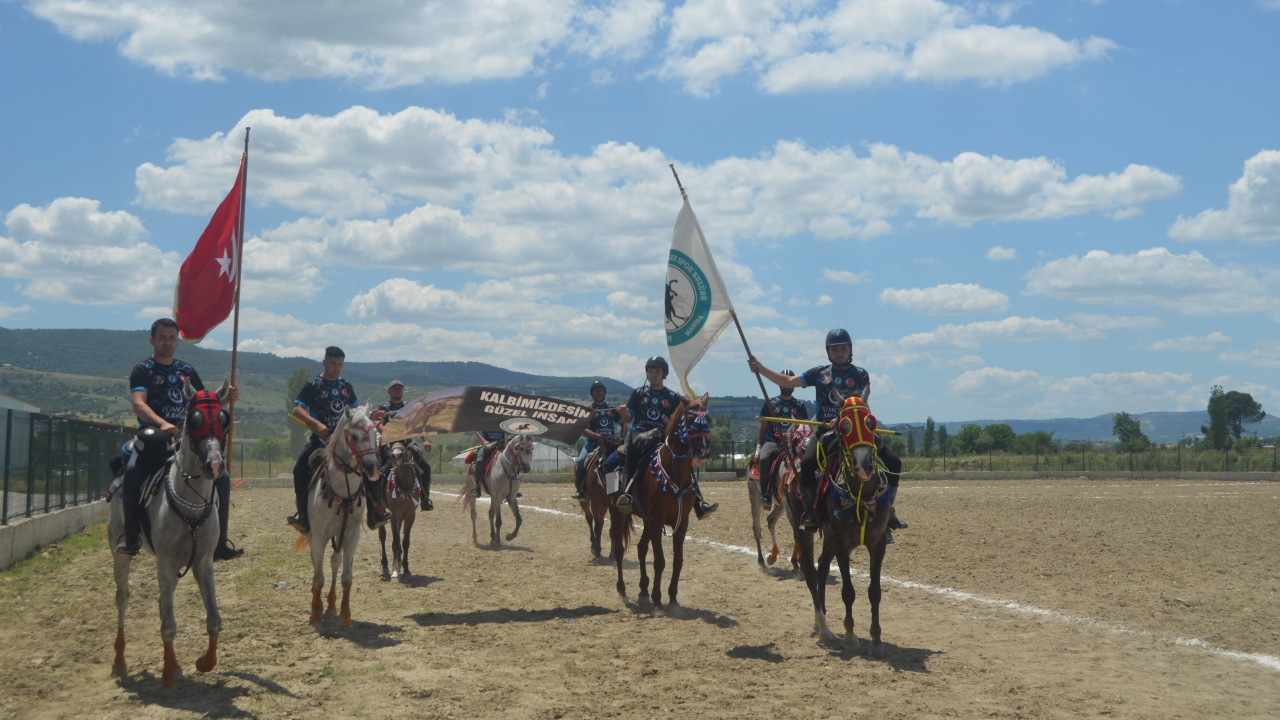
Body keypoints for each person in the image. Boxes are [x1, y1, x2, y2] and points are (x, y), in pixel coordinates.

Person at [747, 329, 906, 537]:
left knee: (894, 462)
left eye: (843, 348)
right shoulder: (819, 374)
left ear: (850, 350)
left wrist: (841, 419)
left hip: (855, 432)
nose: (839, 352)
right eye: (835, 349)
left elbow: (857, 404)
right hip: (826, 433)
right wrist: (760, 368)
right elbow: (787, 381)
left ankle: (888, 511)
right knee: (807, 462)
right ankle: (811, 512)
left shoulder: (860, 374)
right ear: (828, 352)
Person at [115, 318, 244, 561]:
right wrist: (163, 423)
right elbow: (138, 404)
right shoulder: (142, 370)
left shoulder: (187, 371)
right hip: (154, 437)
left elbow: (204, 406)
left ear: (177, 341)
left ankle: (221, 543)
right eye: (162, 337)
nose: (167, 342)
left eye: (172, 337)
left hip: (187, 442)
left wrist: (225, 401)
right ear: (153, 340)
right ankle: (131, 537)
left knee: (223, 478)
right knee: (132, 473)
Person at [287, 347, 387, 534]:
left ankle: (375, 513)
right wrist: (316, 424)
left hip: (347, 442)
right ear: (324, 362)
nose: (337, 368)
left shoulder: (345, 385)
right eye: (333, 363)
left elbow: (356, 408)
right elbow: (297, 409)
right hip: (322, 441)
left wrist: (369, 414)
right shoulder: (313, 385)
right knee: (299, 468)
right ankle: (302, 515)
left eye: (340, 364)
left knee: (372, 464)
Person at [617, 356, 717, 519]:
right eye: (650, 371)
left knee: (683, 461)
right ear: (646, 373)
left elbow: (675, 422)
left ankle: (698, 501)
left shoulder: (671, 396)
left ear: (664, 374)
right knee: (631, 458)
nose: (653, 374)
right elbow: (629, 419)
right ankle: (625, 495)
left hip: (663, 435)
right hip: (640, 434)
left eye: (657, 371)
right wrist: (624, 414)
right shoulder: (638, 393)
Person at [754, 370, 808, 510]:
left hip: (794, 441)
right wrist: (760, 445)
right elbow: (763, 426)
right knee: (764, 458)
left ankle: (808, 491)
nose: (786, 385)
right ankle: (766, 493)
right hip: (773, 440)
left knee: (808, 460)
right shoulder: (770, 403)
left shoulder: (800, 404)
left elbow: (804, 426)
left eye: (789, 380)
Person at [378, 379, 433, 511]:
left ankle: (425, 499)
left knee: (426, 466)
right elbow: (379, 424)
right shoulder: (384, 407)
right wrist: (389, 433)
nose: (398, 390)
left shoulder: (409, 406)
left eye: (400, 388)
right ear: (389, 391)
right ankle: (376, 501)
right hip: (389, 443)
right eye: (395, 388)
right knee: (376, 469)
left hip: (407, 444)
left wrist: (425, 440)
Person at [571, 380, 626, 500]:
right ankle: (581, 489)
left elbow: (623, 424)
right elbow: (584, 430)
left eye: (601, 390)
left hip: (611, 444)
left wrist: (621, 439)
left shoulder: (611, 409)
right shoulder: (589, 410)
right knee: (580, 461)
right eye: (596, 391)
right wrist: (597, 436)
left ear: (605, 392)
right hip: (593, 443)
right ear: (592, 393)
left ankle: (617, 489)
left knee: (622, 461)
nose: (599, 392)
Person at [471, 429, 506, 496]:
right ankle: (477, 488)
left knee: (513, 459)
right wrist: (484, 441)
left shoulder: (502, 420)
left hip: (501, 445)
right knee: (479, 461)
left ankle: (513, 488)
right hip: (487, 445)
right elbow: (476, 431)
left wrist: (510, 437)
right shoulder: (485, 420)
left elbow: (508, 430)